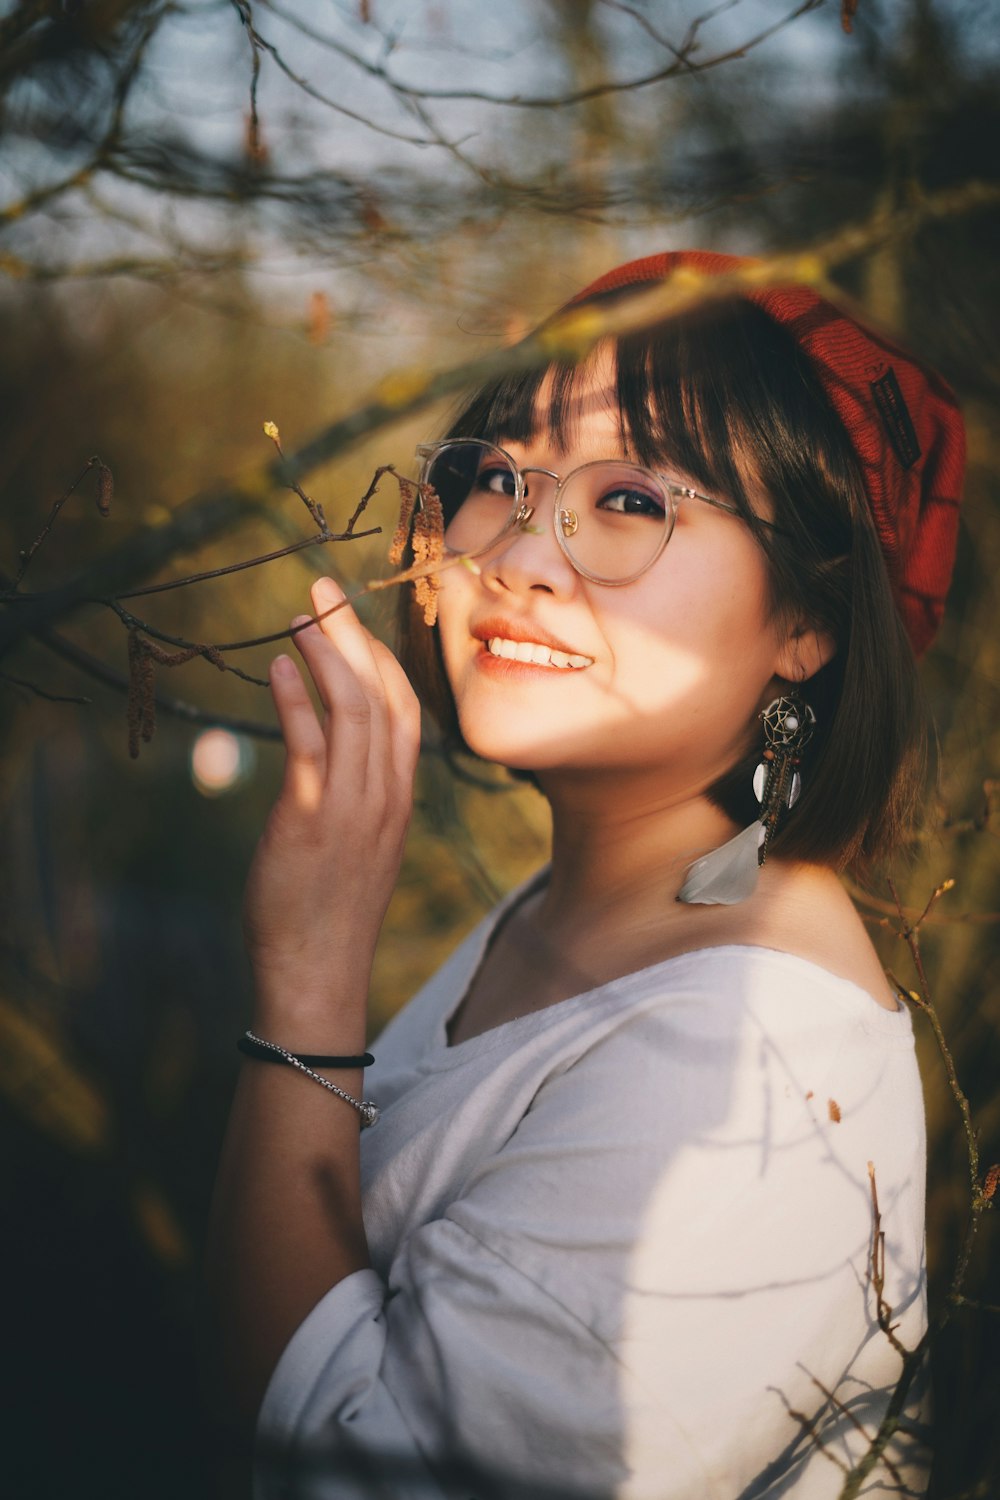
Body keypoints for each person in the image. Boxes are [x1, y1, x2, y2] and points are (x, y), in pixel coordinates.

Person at [206, 250, 965, 1499]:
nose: (517, 553)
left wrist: (308, 968)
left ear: (806, 624)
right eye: (498, 476)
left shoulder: (762, 1071)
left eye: (628, 500)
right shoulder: (567, 906)